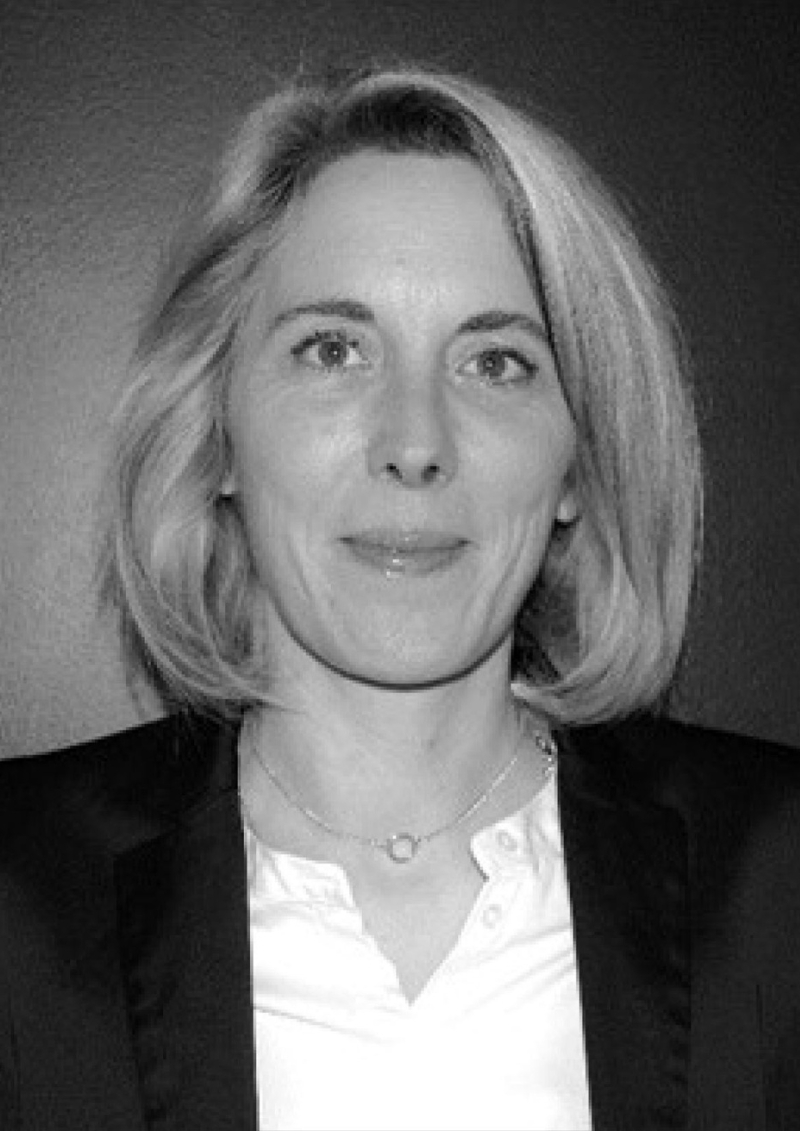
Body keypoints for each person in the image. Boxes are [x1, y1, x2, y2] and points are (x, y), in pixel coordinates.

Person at [1, 61, 798, 1131]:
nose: (414, 442)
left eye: (495, 363)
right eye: (333, 350)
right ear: (217, 430)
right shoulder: (21, 902)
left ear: (578, 459)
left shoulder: (777, 888)